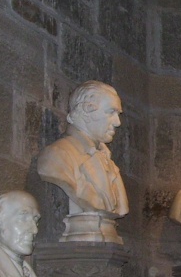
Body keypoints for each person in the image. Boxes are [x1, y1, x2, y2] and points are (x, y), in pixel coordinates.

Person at [37, 81, 128, 217]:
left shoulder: (108, 162)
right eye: (111, 112)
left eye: (118, 114)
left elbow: (122, 209)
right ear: (86, 110)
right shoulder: (58, 155)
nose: (117, 122)